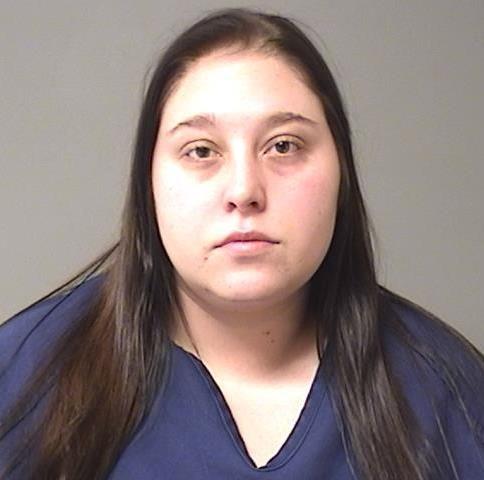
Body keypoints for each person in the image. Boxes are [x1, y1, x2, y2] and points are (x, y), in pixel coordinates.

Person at [0, 7, 483, 480]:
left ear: (342, 175)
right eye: (201, 151)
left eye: (284, 145)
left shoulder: (445, 390)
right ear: (148, 184)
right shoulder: (26, 376)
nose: (244, 190)